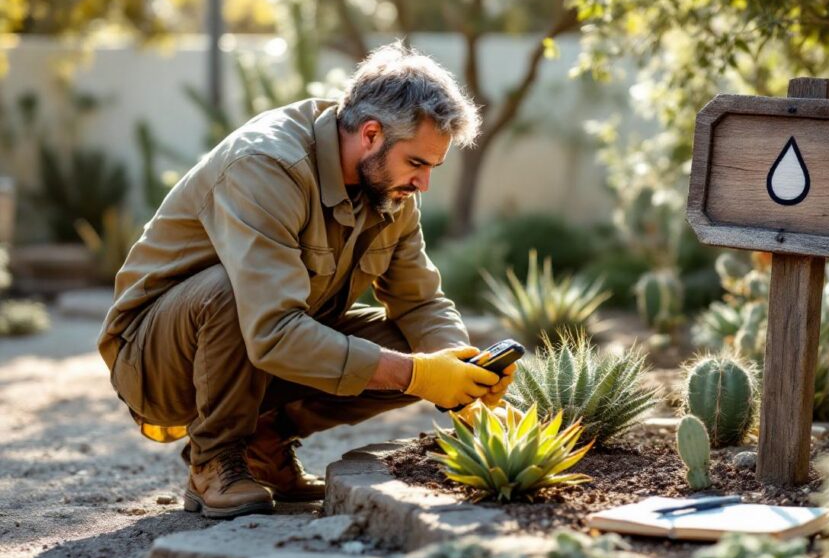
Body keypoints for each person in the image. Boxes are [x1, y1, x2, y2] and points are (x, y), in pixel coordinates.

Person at [96, 42, 516, 519]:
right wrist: (418, 375)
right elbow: (272, 329)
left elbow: (420, 303)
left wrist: (465, 381)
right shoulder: (266, 165)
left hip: (260, 352)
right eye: (417, 164)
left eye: (432, 168)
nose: (424, 184)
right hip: (160, 363)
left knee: (414, 344)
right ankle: (215, 458)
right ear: (372, 134)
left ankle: (265, 440)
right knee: (230, 291)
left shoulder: (390, 190)